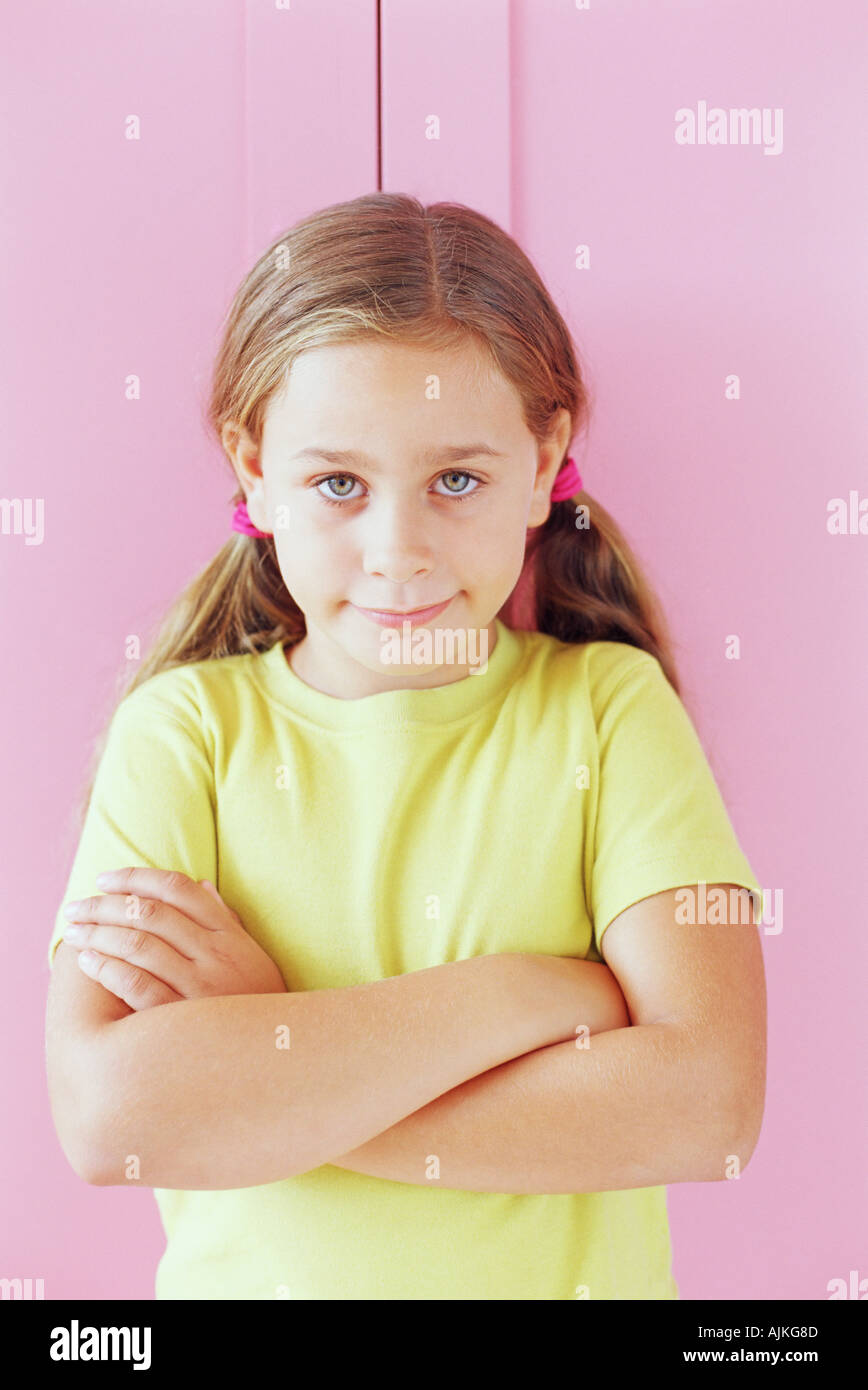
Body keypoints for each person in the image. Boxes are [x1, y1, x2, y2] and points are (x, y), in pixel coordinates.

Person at [45, 191, 767, 1301]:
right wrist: (530, 995)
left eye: (456, 480)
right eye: (338, 483)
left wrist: (269, 1062)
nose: (398, 552)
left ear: (542, 459)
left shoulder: (609, 713)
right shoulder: (185, 736)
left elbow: (704, 1106)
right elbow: (112, 1122)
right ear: (252, 469)